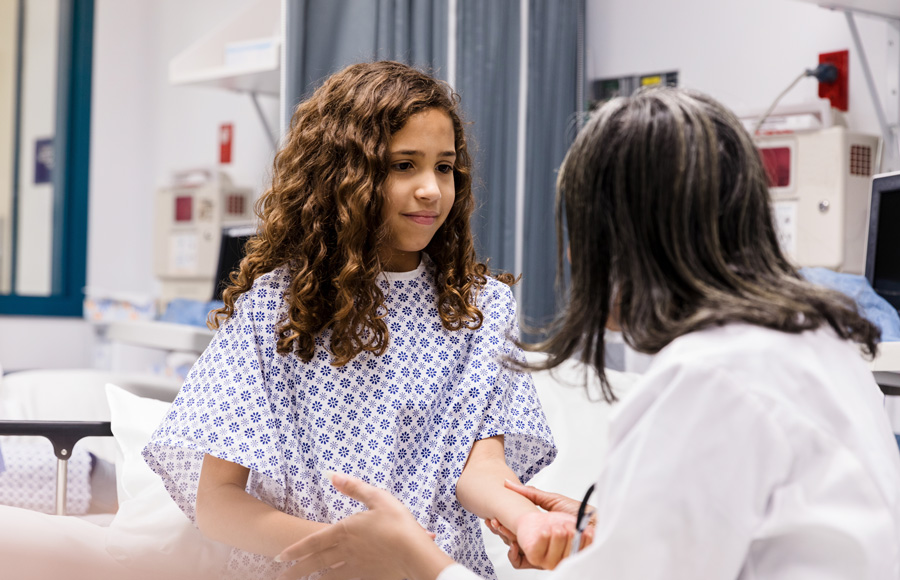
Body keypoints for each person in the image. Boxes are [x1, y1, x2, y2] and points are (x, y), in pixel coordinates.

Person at [274, 86, 900, 579]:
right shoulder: (824, 346)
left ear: (620, 238)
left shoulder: (709, 379)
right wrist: (616, 529)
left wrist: (417, 560)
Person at [142, 61, 562, 580]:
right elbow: (219, 503)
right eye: (403, 165)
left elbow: (480, 467)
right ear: (343, 177)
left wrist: (527, 521)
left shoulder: (480, 309)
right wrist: (351, 549)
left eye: (445, 166)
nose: (431, 189)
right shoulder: (276, 308)